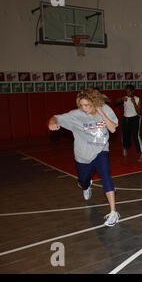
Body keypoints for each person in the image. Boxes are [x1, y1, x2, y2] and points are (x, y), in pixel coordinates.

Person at [48, 88, 120, 227]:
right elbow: (56, 117)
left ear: (94, 102)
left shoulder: (105, 109)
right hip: (83, 155)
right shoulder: (75, 115)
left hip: (101, 149)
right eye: (81, 105)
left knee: (106, 176)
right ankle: (86, 186)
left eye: (87, 105)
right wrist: (52, 122)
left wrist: (101, 112)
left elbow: (112, 129)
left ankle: (113, 213)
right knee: (83, 180)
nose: (84, 108)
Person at [113, 85, 142, 162]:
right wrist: (121, 99)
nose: (127, 93)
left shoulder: (137, 99)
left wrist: (134, 103)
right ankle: (125, 148)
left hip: (135, 119)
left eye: (129, 91)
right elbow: (115, 102)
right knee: (125, 136)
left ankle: (141, 153)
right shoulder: (124, 98)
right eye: (126, 91)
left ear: (132, 91)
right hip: (126, 119)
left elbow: (139, 112)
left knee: (136, 136)